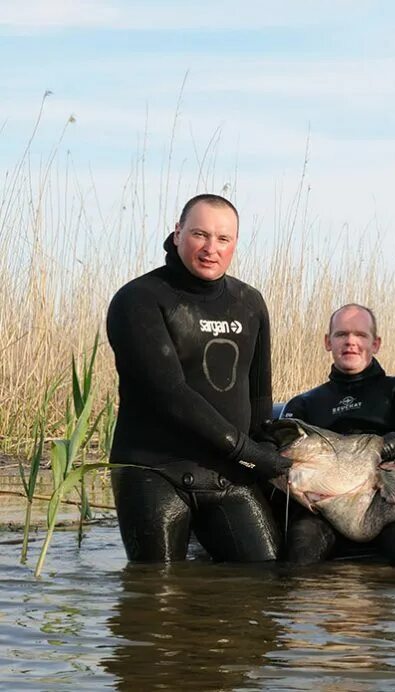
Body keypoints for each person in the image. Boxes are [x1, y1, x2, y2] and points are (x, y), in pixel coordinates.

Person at [106, 193, 290, 563]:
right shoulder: (139, 299)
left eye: (223, 239)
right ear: (177, 234)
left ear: (235, 243)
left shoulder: (249, 302)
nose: (211, 248)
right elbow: (169, 393)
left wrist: (265, 448)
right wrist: (250, 454)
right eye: (199, 235)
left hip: (229, 476)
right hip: (155, 472)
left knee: (266, 582)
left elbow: (258, 393)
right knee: (154, 595)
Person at [279, 303, 395, 564]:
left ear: (376, 343)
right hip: (324, 510)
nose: (351, 342)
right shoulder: (303, 404)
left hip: (386, 502)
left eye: (361, 335)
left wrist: (383, 447)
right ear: (327, 342)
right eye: (341, 334)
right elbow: (281, 455)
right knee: (300, 550)